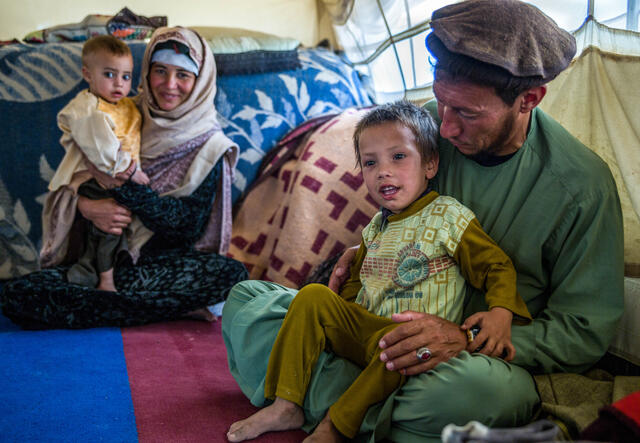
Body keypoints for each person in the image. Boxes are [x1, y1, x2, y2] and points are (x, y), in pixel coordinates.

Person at [221, 1, 624, 441]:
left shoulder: (581, 187)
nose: (445, 128)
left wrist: (465, 339)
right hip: (382, 324)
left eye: (467, 113)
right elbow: (397, 213)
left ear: (529, 99)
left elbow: (582, 333)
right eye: (442, 102)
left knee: (476, 396)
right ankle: (360, 409)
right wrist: (372, 251)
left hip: (469, 361)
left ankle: (326, 400)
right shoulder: (424, 126)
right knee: (247, 303)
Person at [226, 101, 532, 442]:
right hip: (367, 329)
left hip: (412, 340)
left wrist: (501, 313)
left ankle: (336, 425)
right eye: (370, 163)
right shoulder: (374, 229)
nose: (383, 171)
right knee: (313, 296)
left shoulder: (448, 215)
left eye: (398, 157)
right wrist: (336, 321)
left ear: (430, 164)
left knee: (399, 349)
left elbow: (496, 266)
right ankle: (287, 403)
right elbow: (357, 284)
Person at [0, 27, 248, 329]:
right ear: (147, 71)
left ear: (200, 81)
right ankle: (164, 308)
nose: (169, 85)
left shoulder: (211, 145)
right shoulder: (119, 112)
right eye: (160, 71)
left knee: (231, 275)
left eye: (183, 75)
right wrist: (85, 206)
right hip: (99, 255)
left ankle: (110, 304)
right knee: (17, 294)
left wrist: (123, 184)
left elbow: (186, 226)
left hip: (162, 266)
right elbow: (72, 176)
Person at [49, 35, 150, 292]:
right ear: (88, 74)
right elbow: (102, 149)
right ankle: (106, 280)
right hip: (95, 179)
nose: (119, 83)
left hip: (116, 180)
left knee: (108, 229)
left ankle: (87, 269)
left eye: (126, 76)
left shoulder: (123, 104)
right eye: (109, 74)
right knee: (110, 229)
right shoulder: (88, 109)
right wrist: (132, 171)